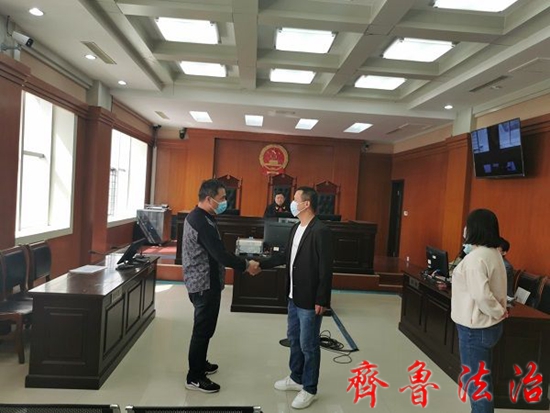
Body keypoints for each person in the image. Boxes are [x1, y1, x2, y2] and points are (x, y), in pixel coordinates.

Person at [257, 186, 333, 409]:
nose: (292, 202)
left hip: (310, 298)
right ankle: (296, 377)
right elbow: (284, 256)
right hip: (293, 295)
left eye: (295, 199)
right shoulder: (295, 227)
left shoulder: (320, 230)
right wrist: (260, 264)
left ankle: (309, 388)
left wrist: (322, 300)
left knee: (309, 345)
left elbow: (326, 269)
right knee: (294, 338)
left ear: (306, 204)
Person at [181, 179, 260, 393]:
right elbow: (220, 255)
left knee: (206, 328)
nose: (225, 201)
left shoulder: (202, 216)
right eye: (222, 198)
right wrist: (246, 265)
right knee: (202, 330)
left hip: (204, 282)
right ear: (209, 199)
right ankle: (194, 377)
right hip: (203, 284)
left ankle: (200, 363)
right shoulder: (201, 221)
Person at [451, 209, 508, 413]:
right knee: (482, 380)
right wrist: (498, 312)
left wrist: (497, 311)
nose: (465, 230)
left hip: (475, 329)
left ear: (475, 228)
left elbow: (482, 296)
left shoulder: (476, 259)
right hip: (489, 326)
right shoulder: (493, 253)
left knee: (477, 386)